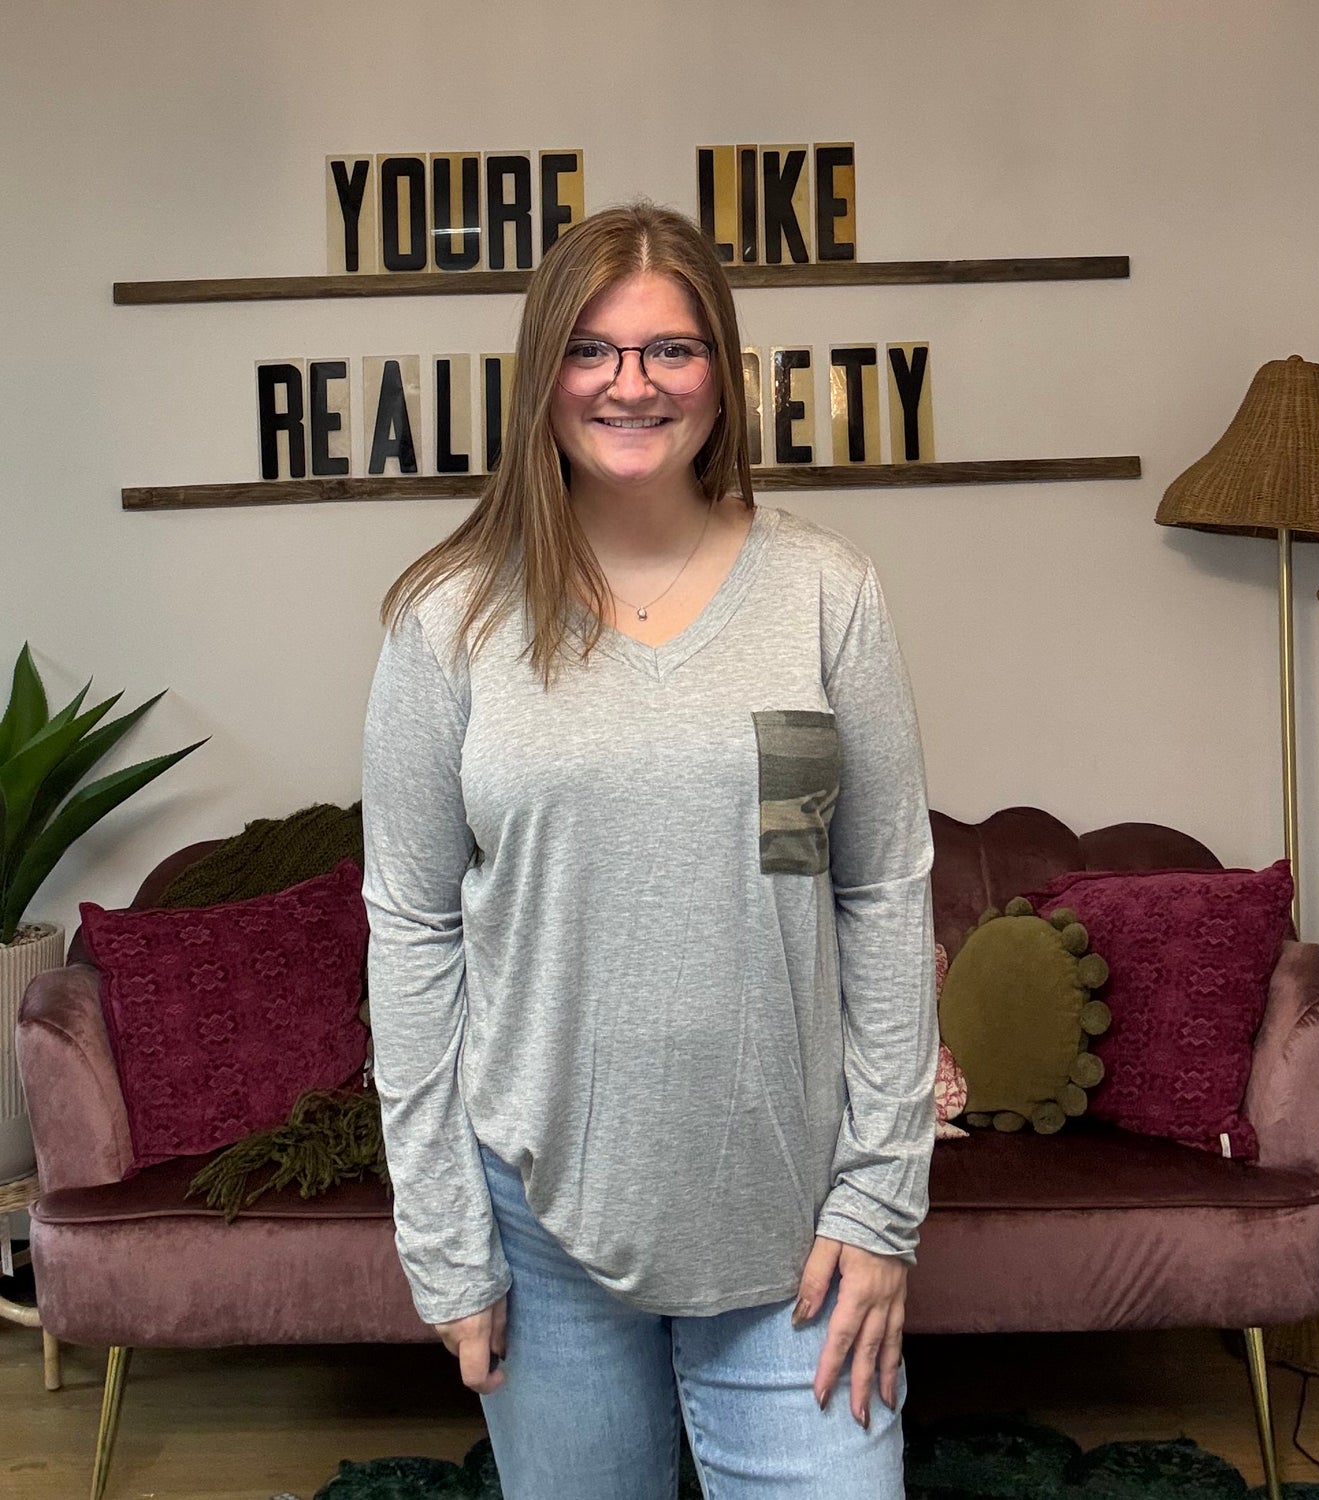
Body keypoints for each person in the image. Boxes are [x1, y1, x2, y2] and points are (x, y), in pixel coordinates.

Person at [361, 201, 936, 1500]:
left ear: (720, 379)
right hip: (538, 1216)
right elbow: (411, 928)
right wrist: (443, 1239)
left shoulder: (819, 598)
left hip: (790, 1218)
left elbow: (872, 894)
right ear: (541, 377)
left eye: (669, 350)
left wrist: (877, 1203)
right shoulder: (447, 621)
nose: (630, 383)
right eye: (591, 350)